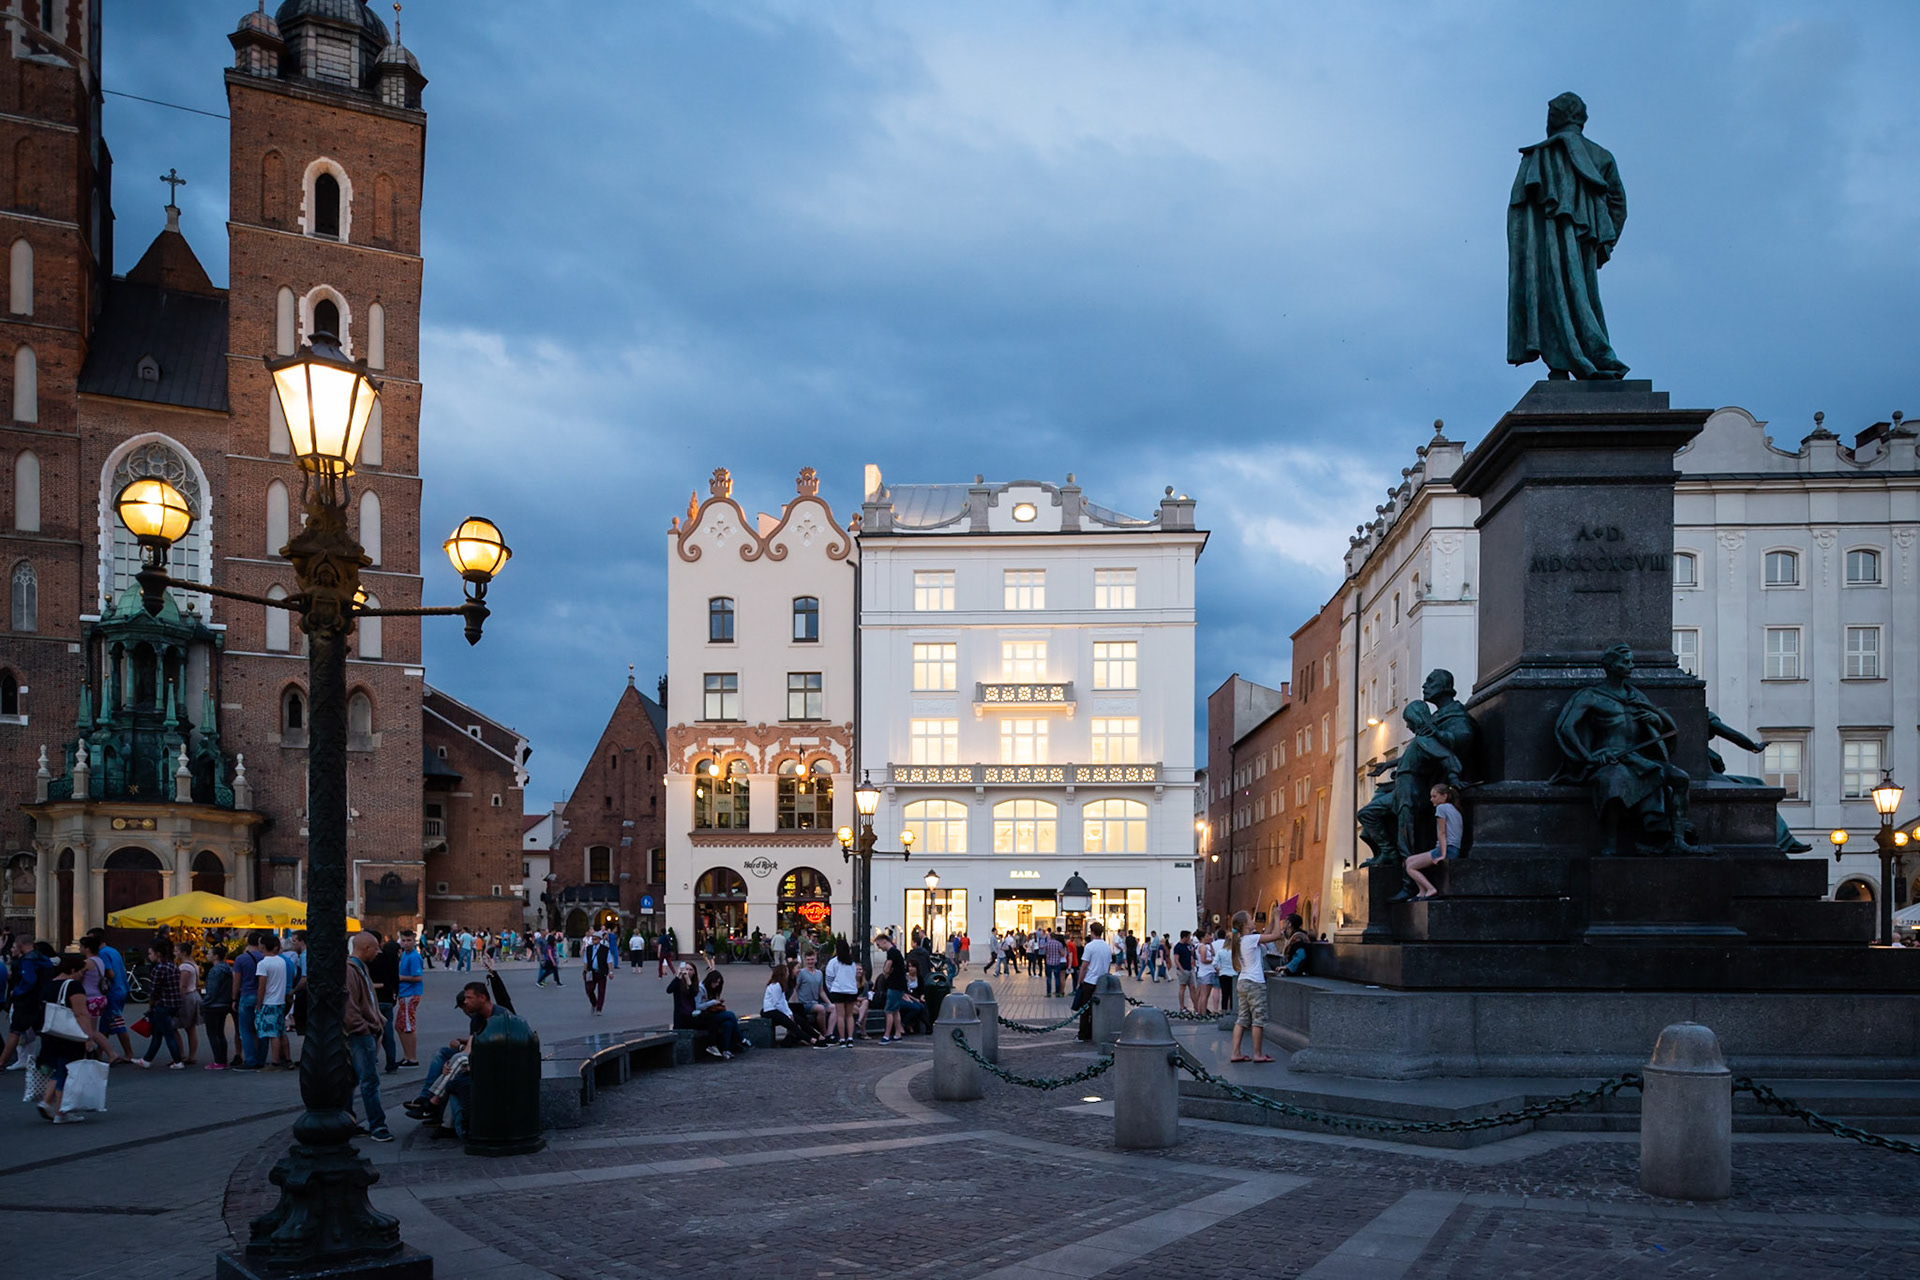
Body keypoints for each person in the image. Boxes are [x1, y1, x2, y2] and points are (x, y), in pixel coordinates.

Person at [32, 953, 94, 1124]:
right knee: (66, 1072)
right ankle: (61, 1112)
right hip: (69, 1035)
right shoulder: (74, 986)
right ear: (72, 970)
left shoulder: (49, 985)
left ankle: (47, 1102)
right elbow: (81, 1013)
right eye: (81, 971)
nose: (82, 975)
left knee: (59, 1069)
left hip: (51, 1033)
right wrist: (88, 1037)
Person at [346, 932, 393, 1141]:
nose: (378, 952)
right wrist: (364, 1028)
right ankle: (377, 1125)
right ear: (365, 948)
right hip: (360, 1034)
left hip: (367, 1031)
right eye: (376, 949)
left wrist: (378, 1022)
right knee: (369, 1081)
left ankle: (348, 1121)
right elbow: (350, 1007)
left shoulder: (361, 968)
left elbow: (368, 1001)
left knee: (352, 1080)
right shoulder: (350, 970)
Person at [1229, 903, 1290, 1063]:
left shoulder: (1242, 940)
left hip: (1243, 982)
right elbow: (1276, 935)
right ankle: (1258, 1054)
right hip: (1255, 983)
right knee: (1258, 1019)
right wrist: (1277, 918)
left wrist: (1271, 920)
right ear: (1244, 925)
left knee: (1242, 1019)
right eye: (1250, 919)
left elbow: (1268, 933)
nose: (1253, 919)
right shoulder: (1251, 939)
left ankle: (1236, 1052)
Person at [1404, 782, 1465, 900]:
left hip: (1447, 849)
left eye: (1434, 796)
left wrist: (1443, 854)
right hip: (1453, 848)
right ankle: (1422, 892)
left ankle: (1430, 889)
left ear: (1444, 796)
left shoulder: (1441, 808)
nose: (1431, 799)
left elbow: (1442, 833)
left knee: (1410, 867)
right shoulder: (1455, 809)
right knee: (1409, 860)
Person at [2, 938, 55, 1071]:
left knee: (15, 1031)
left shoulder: (28, 960)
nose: (12, 948)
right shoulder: (43, 958)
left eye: (14, 945)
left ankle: (2, 1061)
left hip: (26, 1001)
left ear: (21, 945)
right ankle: (48, 1060)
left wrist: (17, 991)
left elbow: (29, 980)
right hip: (42, 999)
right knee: (44, 1031)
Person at [133, 938, 187, 1069]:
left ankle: (178, 1061)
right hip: (173, 1003)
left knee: (167, 1035)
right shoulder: (172, 966)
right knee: (157, 1033)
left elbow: (154, 990)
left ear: (158, 954)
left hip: (162, 1005)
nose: (149, 956)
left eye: (150, 953)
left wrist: (151, 1005)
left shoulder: (158, 969)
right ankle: (147, 1059)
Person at [254, 932, 292, 1070]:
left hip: (269, 1001)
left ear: (263, 946)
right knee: (281, 1031)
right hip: (280, 1000)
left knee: (272, 1033)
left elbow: (261, 987)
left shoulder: (263, 964)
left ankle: (275, 1061)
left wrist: (259, 1004)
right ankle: (287, 1059)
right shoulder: (281, 961)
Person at [762, 963, 823, 1047]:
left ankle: (817, 1036)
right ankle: (811, 1040)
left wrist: (789, 1013)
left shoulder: (780, 985)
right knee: (791, 1024)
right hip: (770, 1010)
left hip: (776, 1009)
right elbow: (778, 1003)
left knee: (799, 1020)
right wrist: (787, 1014)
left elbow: (783, 1001)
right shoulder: (775, 986)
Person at [1071, 921, 1113, 1042]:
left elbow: (1084, 966)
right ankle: (1096, 1031)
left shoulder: (1089, 946)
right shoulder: (1106, 946)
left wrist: (1079, 982)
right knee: (1098, 1010)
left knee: (1085, 1010)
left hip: (1090, 981)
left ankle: (1083, 1034)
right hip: (1102, 981)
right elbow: (1109, 964)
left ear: (1092, 932)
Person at [695, 969, 747, 1059]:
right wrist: (712, 1002)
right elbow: (698, 1006)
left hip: (710, 1014)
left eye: (719, 983)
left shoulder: (710, 989)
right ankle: (741, 1038)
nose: (717, 985)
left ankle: (725, 1050)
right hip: (704, 1016)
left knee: (728, 1024)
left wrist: (716, 1003)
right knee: (730, 1015)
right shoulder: (701, 989)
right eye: (716, 982)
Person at [370, 931, 401, 1072]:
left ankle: (370, 1059)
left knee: (370, 1031)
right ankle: (391, 1062)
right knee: (388, 1032)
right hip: (387, 998)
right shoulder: (390, 958)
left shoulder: (368, 959)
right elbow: (395, 980)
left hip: (372, 999)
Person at [201, 944, 234, 1071]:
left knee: (213, 1034)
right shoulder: (227, 968)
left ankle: (218, 1060)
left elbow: (212, 990)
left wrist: (204, 1003)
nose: (207, 955)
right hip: (224, 1003)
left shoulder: (215, 971)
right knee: (220, 1033)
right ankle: (223, 1059)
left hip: (213, 1005)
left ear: (215, 956)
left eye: (209, 953)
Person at [394, 930, 423, 1067]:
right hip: (404, 994)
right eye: (403, 940)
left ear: (414, 941)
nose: (406, 943)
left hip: (410, 994)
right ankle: (407, 1056)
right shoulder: (405, 955)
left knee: (408, 1026)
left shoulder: (414, 957)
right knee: (400, 1026)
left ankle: (412, 1058)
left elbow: (417, 977)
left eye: (409, 940)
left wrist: (400, 978)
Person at [823, 939, 859, 1046]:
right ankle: (850, 1038)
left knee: (840, 1016)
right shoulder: (851, 963)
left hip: (838, 990)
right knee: (849, 1015)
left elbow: (829, 978)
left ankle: (842, 1038)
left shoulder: (833, 962)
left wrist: (831, 989)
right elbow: (854, 976)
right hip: (851, 990)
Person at [877, 933, 911, 1043]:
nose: (879, 947)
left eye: (879, 944)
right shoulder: (896, 952)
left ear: (884, 941)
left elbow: (886, 969)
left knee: (888, 1010)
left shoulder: (891, 953)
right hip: (900, 985)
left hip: (894, 985)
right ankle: (897, 1033)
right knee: (896, 1010)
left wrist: (886, 971)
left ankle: (886, 1036)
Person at [176, 942, 203, 1065]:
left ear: (184, 952)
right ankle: (192, 1055)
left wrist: (178, 1001)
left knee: (173, 1026)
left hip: (187, 997)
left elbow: (183, 985)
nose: (175, 953)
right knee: (191, 1028)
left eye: (177, 951)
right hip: (194, 995)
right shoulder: (194, 965)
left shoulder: (184, 967)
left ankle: (180, 1054)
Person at [582, 930, 611, 1015]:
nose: (593, 941)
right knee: (589, 990)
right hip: (591, 972)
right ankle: (594, 1003)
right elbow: (586, 960)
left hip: (601, 972)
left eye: (595, 939)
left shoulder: (605, 949)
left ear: (599, 940)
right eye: (592, 939)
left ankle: (599, 1008)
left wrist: (611, 971)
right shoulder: (589, 949)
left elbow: (609, 960)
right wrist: (584, 971)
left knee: (601, 991)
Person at [1171, 930, 1197, 1012]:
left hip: (1189, 968)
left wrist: (1191, 947)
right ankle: (1182, 1007)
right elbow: (1176, 959)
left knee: (1192, 987)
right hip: (1183, 970)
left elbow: (1192, 954)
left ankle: (1196, 1006)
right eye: (1188, 937)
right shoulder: (1178, 947)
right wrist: (1181, 970)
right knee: (1182, 987)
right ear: (1184, 937)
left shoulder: (1188, 946)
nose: (1189, 939)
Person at [1195, 929, 1218, 1015]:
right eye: (1207, 936)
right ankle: (1203, 1013)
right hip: (1206, 972)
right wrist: (1212, 960)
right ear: (1202, 937)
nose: (1208, 937)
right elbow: (1203, 959)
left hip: (1203, 972)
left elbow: (1212, 953)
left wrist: (1210, 944)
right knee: (1205, 995)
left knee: (1203, 995)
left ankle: (1201, 1012)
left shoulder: (1202, 946)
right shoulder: (1203, 947)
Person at [1215, 923, 1236, 1014]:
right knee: (1232, 994)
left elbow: (1214, 963)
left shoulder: (1221, 951)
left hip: (1223, 973)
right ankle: (1232, 1009)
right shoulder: (1235, 952)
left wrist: (1218, 969)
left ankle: (1223, 1010)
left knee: (1224, 994)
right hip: (1233, 974)